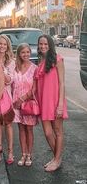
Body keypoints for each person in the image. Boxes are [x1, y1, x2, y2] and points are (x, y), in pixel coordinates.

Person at [35, 34, 68, 172]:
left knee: (58, 132)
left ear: (50, 45)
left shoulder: (57, 59)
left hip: (55, 102)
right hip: (44, 102)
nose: (43, 46)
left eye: (45, 44)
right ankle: (57, 158)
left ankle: (56, 159)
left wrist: (60, 105)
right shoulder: (40, 61)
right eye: (41, 44)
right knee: (48, 133)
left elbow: (62, 83)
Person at [12, 43, 38, 167]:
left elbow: (35, 89)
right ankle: (23, 154)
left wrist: (22, 99)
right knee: (21, 128)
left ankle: (29, 154)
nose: (25, 54)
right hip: (15, 104)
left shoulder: (34, 68)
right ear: (19, 54)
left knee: (29, 129)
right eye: (23, 52)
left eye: (27, 52)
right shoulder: (15, 66)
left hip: (27, 103)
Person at [0, 35, 15, 164]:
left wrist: (1, 70)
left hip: (6, 95)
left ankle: (11, 151)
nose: (2, 46)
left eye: (4, 44)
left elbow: (10, 80)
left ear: (7, 47)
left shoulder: (10, 62)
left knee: (8, 123)